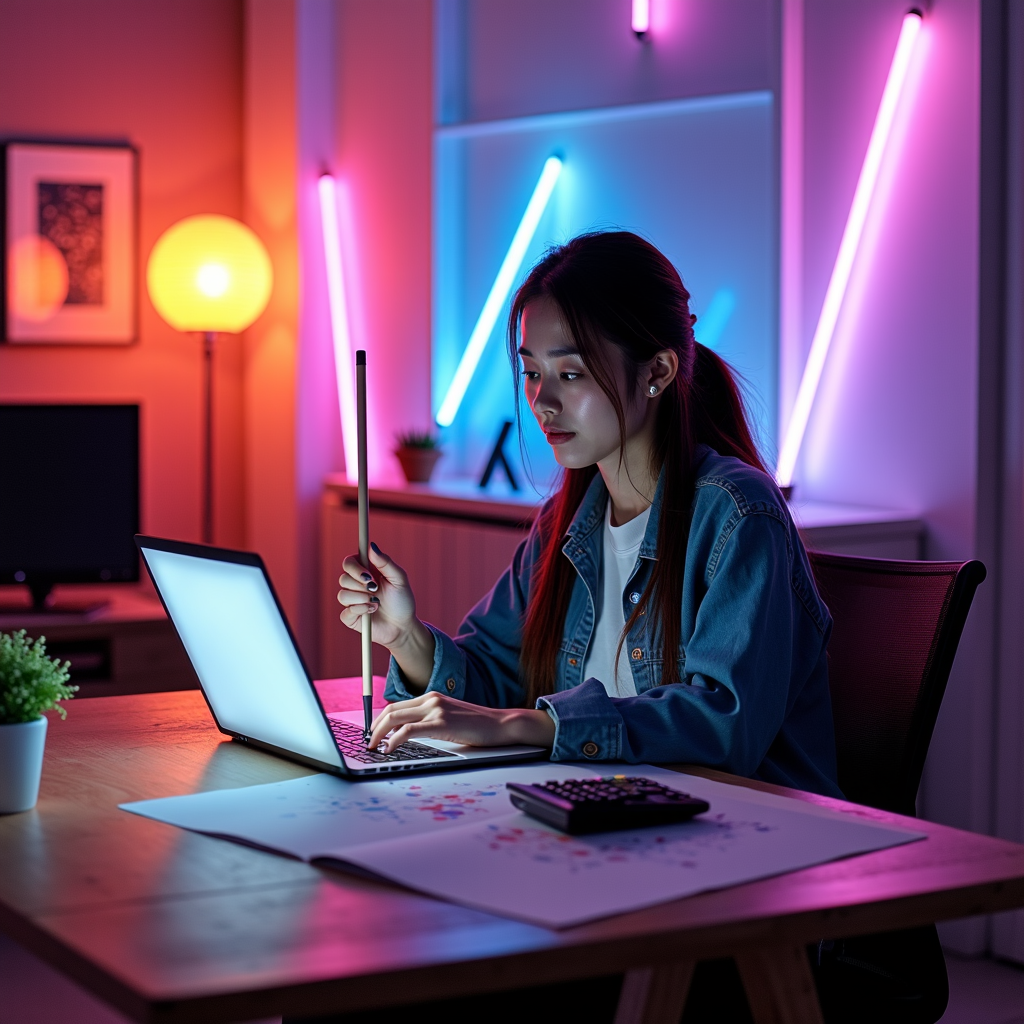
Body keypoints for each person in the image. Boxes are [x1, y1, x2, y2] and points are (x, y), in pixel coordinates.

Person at [337, 229, 841, 800]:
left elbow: (724, 725)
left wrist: (532, 724)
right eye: (531, 372)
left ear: (657, 372)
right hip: (611, 816)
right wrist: (405, 636)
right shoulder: (564, 523)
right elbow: (493, 682)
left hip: (750, 832)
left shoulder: (737, 515)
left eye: (570, 374)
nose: (543, 402)